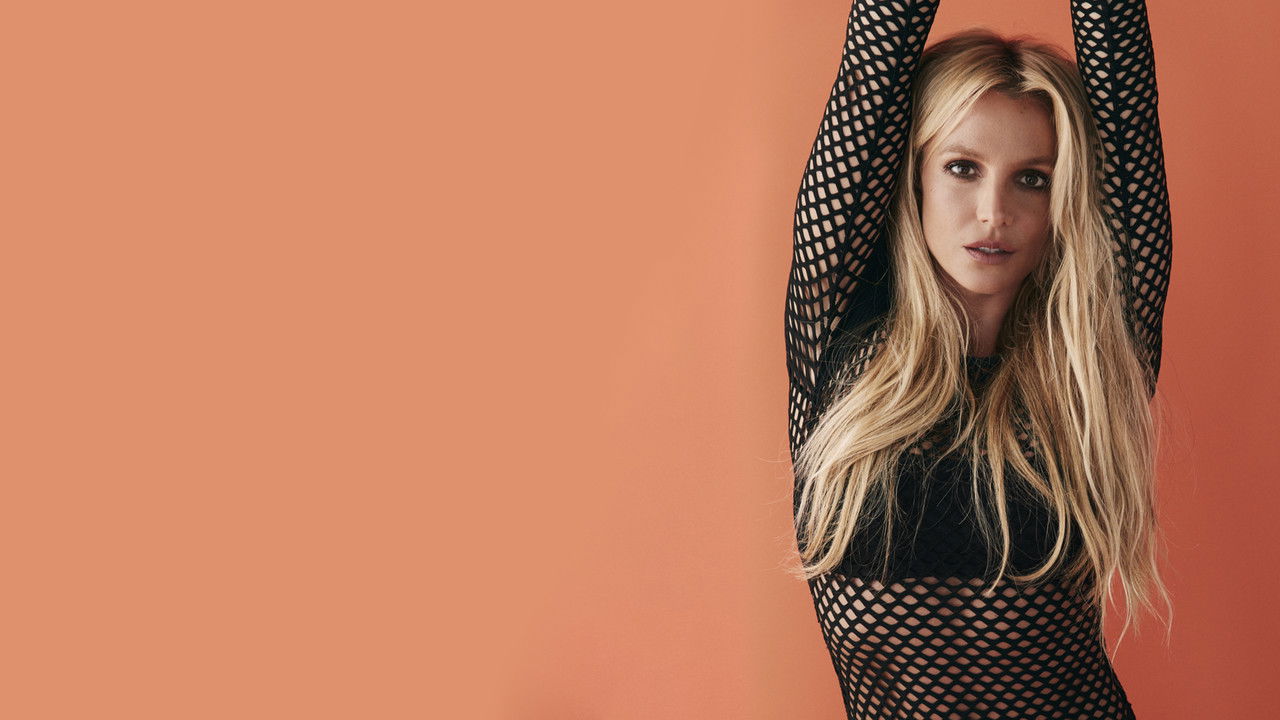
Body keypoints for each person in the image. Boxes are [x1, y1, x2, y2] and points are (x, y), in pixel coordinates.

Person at [783, 0, 1173, 717]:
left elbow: (1125, 102)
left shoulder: (1091, 364)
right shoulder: (841, 342)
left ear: (1065, 198)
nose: (995, 211)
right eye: (963, 167)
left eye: (1033, 178)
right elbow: (878, 49)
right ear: (914, 177)